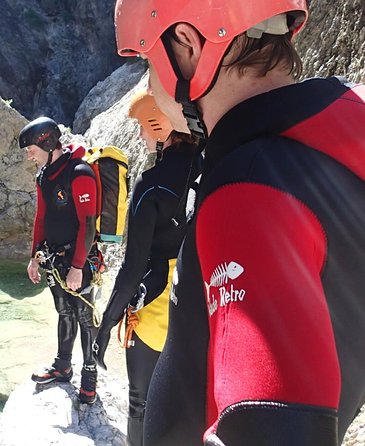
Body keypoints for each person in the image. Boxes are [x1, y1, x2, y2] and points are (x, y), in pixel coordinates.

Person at [114, 1, 365, 445]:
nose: (151, 85)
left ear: (187, 46)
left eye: (149, 62)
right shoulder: (332, 132)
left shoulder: (247, 191)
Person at [93, 90, 200, 446]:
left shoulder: (150, 185)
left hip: (154, 310)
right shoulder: (212, 166)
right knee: (189, 405)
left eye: (143, 126)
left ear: (160, 123)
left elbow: (133, 266)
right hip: (199, 305)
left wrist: (107, 323)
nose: (140, 135)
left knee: (141, 403)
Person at [19, 116, 100, 404]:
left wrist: (78, 267)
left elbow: (88, 224)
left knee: (84, 316)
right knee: (64, 312)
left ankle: (90, 377)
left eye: (31, 149)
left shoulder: (80, 173)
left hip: (79, 259)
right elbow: (41, 218)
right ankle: (63, 366)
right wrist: (33, 258)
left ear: (48, 143)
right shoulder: (44, 177)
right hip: (54, 258)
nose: (29, 155)